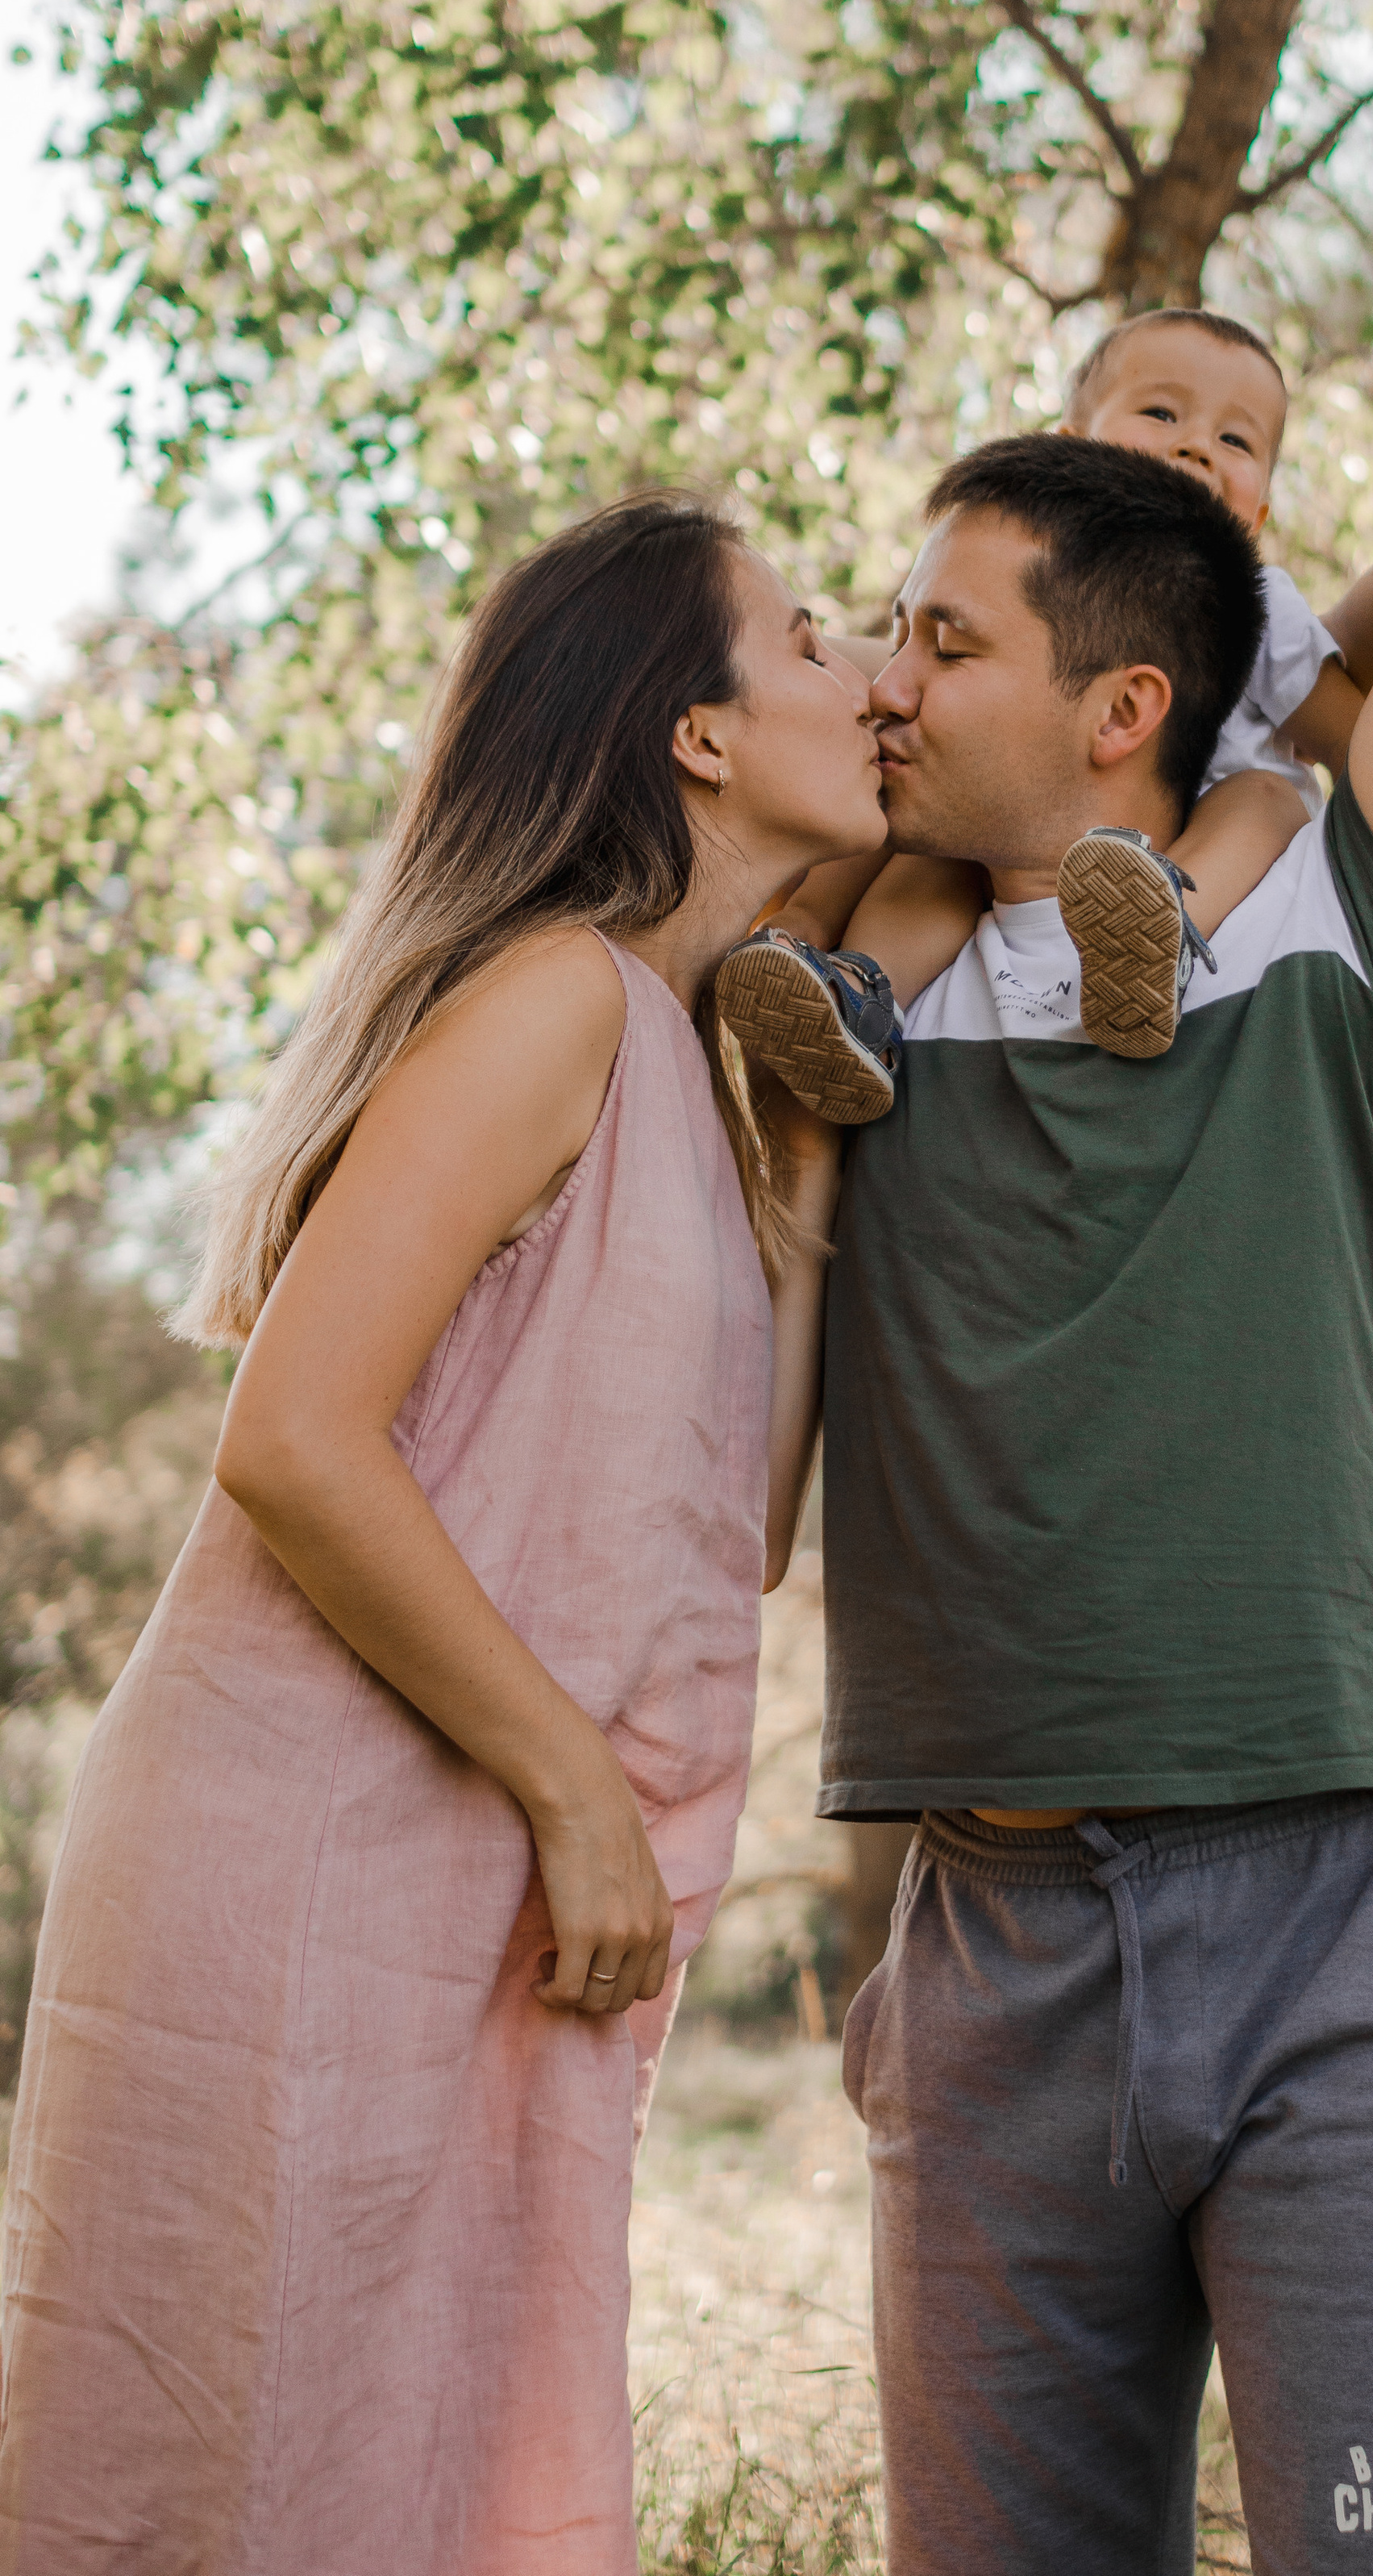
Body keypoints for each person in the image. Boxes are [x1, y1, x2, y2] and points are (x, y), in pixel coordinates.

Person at [0, 493, 872, 2576]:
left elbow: (726, 1537)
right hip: (303, 1862)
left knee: (422, 2477)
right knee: (256, 2478)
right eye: (816, 635)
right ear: (699, 733)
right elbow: (292, 1440)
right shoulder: (553, 998)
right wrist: (571, 1784)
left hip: (462, 1890)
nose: (871, 677)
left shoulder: (671, 1055)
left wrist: (817, 1181)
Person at [818, 430, 1373, 2575]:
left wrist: (1266, 670)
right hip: (992, 1957)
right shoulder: (851, 991)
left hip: (1351, 1927)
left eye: (944, 638)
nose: (888, 681)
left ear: (1124, 705)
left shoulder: (1344, 931)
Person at [712, 306, 1373, 1111]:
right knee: (930, 831)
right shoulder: (1017, 594)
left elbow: (1359, 750)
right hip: (1038, 823)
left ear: (1260, 511)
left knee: (1267, 796)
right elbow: (880, 672)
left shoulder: (1261, 607)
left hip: (1206, 814)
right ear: (1070, 443)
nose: (1198, 444)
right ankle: (850, 988)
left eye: (1237, 441)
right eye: (1161, 412)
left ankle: (1157, 938)